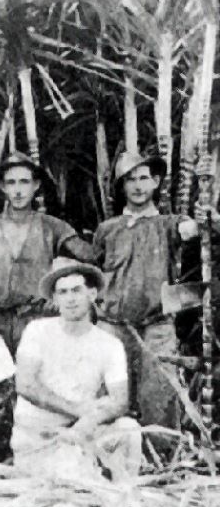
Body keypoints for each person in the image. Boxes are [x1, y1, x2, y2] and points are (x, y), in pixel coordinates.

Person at [0, 152, 93, 458]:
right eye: (10, 182)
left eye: (25, 181)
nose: (18, 189)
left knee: (45, 393)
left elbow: (90, 255)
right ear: (1, 187)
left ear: (37, 185)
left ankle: (50, 462)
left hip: (36, 323)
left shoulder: (52, 226)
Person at [93, 151, 218, 450]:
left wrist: (208, 216)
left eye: (144, 178)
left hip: (156, 325)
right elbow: (92, 273)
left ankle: (162, 462)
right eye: (130, 180)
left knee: (159, 393)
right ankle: (106, 457)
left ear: (156, 182)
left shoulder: (169, 223)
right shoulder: (107, 229)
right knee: (107, 395)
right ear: (122, 186)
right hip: (111, 326)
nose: (138, 186)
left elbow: (198, 228)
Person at [12, 257, 142, 480]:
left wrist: (85, 423)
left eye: (76, 290)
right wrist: (80, 410)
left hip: (83, 433)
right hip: (39, 437)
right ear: (55, 298)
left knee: (128, 430)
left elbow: (120, 401)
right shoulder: (37, 331)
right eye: (63, 292)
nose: (70, 299)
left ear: (91, 295)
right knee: (74, 482)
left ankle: (126, 497)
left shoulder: (109, 344)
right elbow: (25, 385)